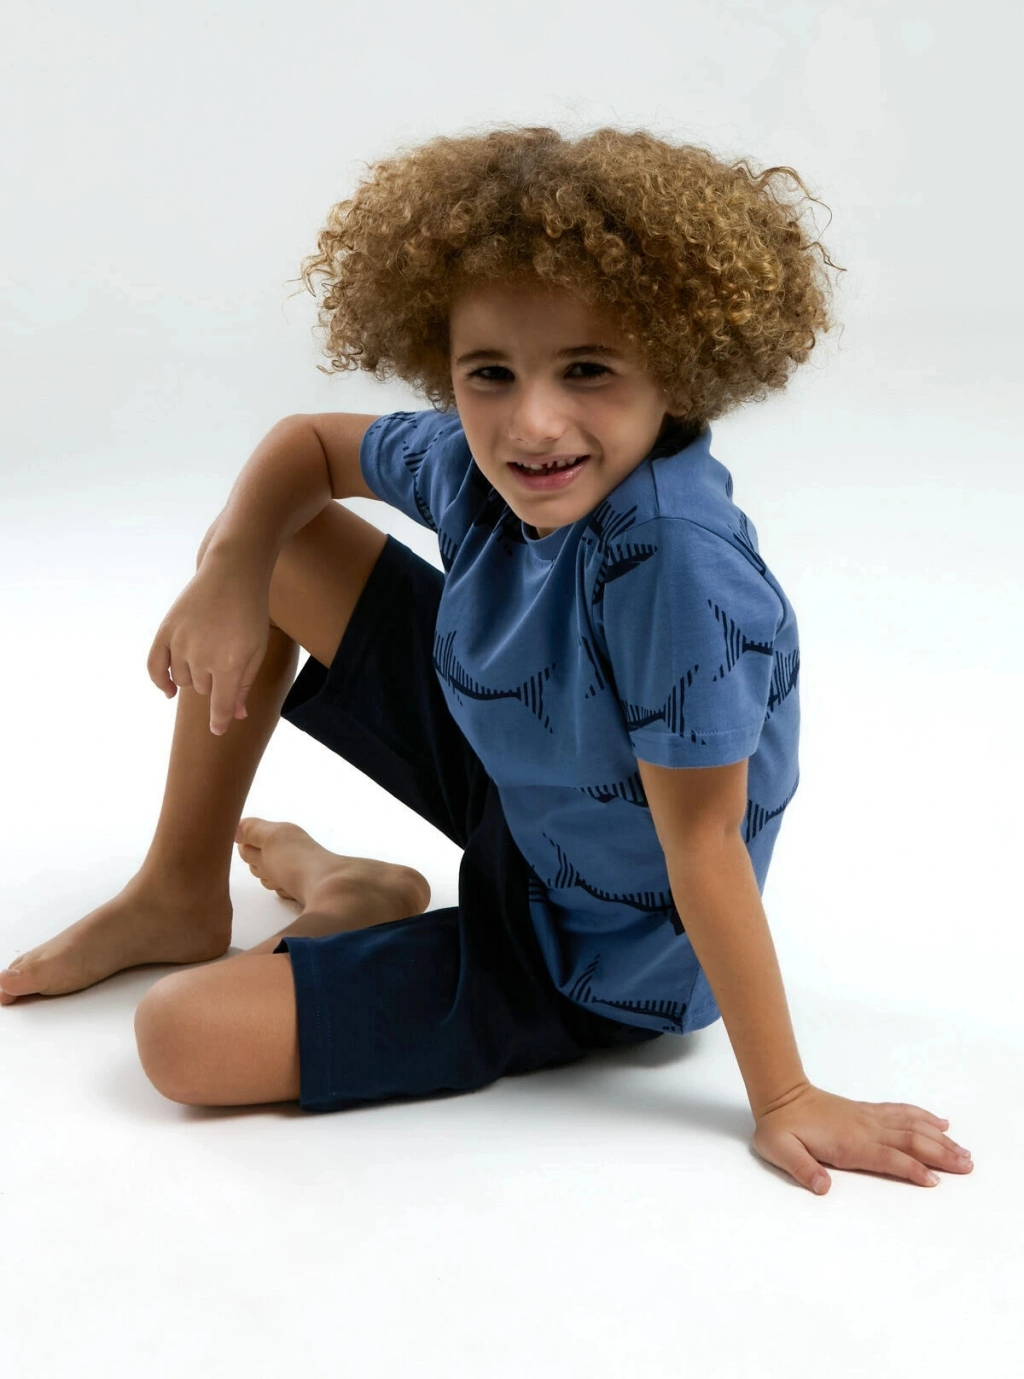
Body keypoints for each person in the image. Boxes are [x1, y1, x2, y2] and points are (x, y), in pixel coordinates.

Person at [1, 125, 972, 1195]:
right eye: (491, 374)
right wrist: (230, 570)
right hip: (524, 782)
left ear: (679, 366)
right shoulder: (476, 461)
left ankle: (348, 900)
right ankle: (179, 889)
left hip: (585, 956)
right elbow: (309, 446)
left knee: (177, 1039)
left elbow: (703, 844)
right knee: (281, 545)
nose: (533, 421)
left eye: (588, 370)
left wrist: (784, 1096)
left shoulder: (675, 564)